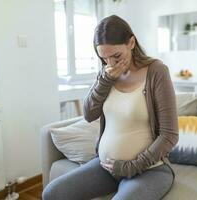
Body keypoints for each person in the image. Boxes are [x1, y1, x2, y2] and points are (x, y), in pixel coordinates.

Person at [42, 14, 178, 200]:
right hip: (106, 167)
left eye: (116, 56)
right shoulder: (106, 74)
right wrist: (106, 80)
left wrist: (131, 167)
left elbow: (169, 135)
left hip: (150, 170)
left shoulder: (156, 71)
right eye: (104, 58)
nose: (111, 64)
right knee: (53, 193)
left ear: (131, 43)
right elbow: (89, 114)